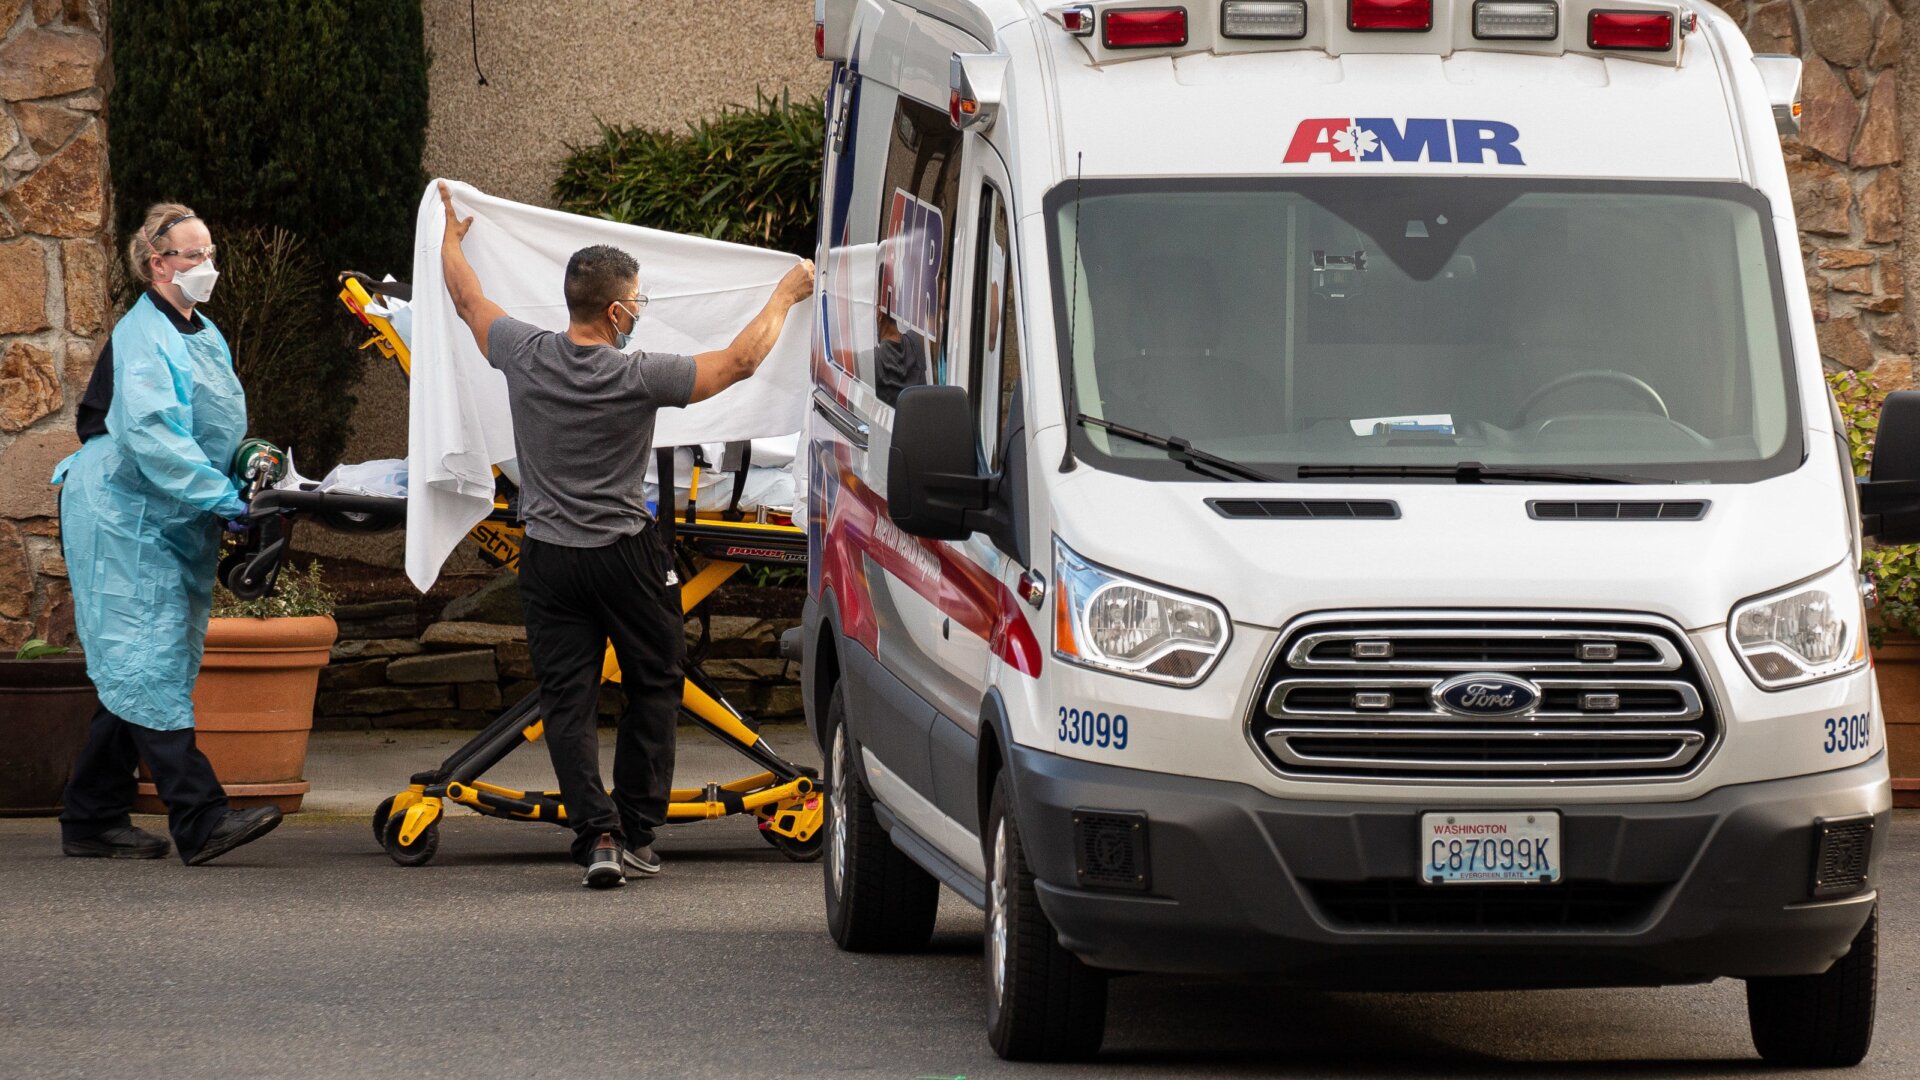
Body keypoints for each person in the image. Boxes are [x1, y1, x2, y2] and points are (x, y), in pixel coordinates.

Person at [436, 181, 814, 888]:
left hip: (548, 559)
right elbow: (740, 363)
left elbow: (467, 300)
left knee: (566, 699)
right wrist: (787, 296)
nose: (640, 313)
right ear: (615, 311)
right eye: (637, 303)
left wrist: (449, 240)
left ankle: (598, 838)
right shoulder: (637, 374)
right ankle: (637, 832)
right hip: (625, 557)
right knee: (656, 680)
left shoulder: (522, 351)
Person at [50, 202, 284, 865]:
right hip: (123, 513)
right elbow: (154, 435)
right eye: (195, 254)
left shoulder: (199, 330)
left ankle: (91, 816)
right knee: (147, 657)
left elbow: (210, 427)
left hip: (166, 511)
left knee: (142, 660)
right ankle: (200, 817)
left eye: (211, 253)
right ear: (159, 263)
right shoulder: (142, 337)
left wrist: (246, 478)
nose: (208, 266)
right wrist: (222, 499)